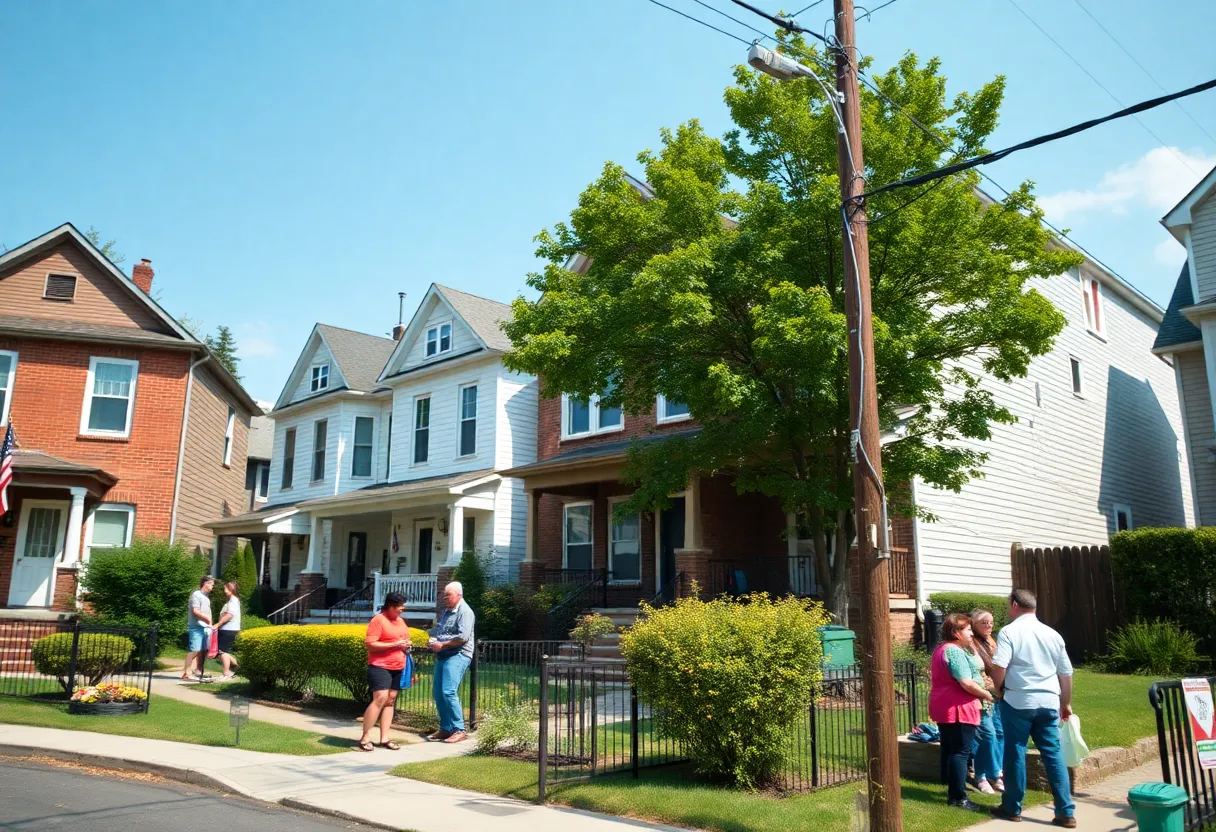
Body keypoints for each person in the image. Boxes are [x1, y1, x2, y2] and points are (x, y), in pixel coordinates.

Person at [988, 589, 1076, 828]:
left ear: (1014, 605)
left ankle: (1012, 807)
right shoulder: (1052, 634)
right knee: (1053, 755)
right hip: (1049, 702)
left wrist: (999, 690)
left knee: (1015, 752)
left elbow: (999, 666)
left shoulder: (1009, 631)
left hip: (1018, 701)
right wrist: (1065, 703)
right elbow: (1066, 673)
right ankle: (1065, 812)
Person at [930, 612, 994, 810]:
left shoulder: (941, 649)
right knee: (960, 752)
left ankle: (952, 790)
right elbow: (966, 682)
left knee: (950, 750)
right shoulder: (955, 651)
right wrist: (986, 694)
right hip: (958, 707)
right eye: (967, 630)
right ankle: (958, 798)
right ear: (956, 632)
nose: (971, 634)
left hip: (944, 705)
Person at [356, 591, 411, 752]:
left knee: (391, 700)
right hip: (380, 665)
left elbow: (401, 640)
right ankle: (365, 737)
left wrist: (405, 644)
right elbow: (371, 644)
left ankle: (384, 738)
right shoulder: (378, 620)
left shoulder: (400, 621)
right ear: (390, 606)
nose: (401, 611)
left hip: (398, 665)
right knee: (380, 698)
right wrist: (395, 644)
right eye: (399, 608)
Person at [428, 581, 475, 744]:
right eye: (444, 595)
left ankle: (459, 729)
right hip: (444, 654)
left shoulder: (465, 612)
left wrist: (442, 644)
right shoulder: (447, 611)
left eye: (448, 595)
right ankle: (446, 728)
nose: (445, 598)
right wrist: (430, 638)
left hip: (459, 654)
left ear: (459, 595)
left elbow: (462, 637)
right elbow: (439, 631)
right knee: (438, 693)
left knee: (448, 691)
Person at [970, 608, 1004, 795]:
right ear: (974, 624)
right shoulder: (971, 643)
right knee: (987, 735)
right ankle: (981, 775)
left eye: (991, 622)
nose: (989, 625)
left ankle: (996, 772)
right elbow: (978, 670)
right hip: (982, 695)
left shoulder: (990, 641)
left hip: (996, 694)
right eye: (984, 622)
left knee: (999, 733)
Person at [181, 575, 215, 682]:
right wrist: (208, 620)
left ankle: (197, 671)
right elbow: (196, 611)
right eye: (212, 585)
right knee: (194, 649)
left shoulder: (205, 596)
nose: (212, 587)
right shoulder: (196, 595)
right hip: (196, 627)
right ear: (206, 583)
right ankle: (186, 673)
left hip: (204, 627)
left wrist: (210, 623)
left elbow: (206, 611)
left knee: (201, 650)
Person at [215, 582, 242, 681]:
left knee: (222, 652)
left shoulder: (233, 601)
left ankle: (227, 672)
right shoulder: (232, 601)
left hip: (228, 629)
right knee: (223, 651)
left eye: (225, 589)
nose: (224, 591)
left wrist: (217, 624)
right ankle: (238, 668)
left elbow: (229, 615)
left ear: (231, 589)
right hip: (229, 629)